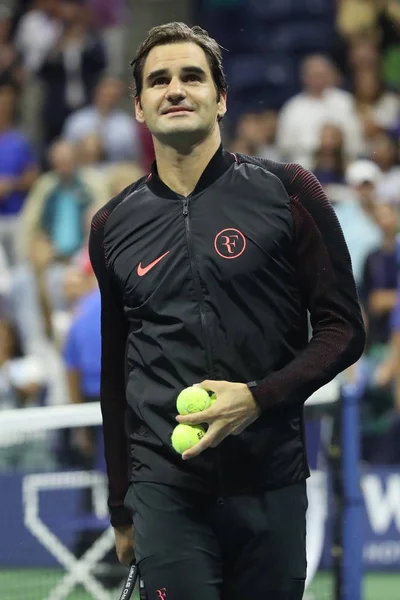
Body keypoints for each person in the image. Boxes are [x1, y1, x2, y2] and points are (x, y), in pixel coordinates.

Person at [89, 22, 365, 600]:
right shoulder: (112, 225)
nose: (175, 89)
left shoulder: (289, 191)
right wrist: (121, 507)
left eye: (192, 76)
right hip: (165, 489)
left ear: (221, 98)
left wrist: (258, 398)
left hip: (271, 481)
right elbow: (115, 371)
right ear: (138, 107)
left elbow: (343, 332)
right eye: (158, 80)